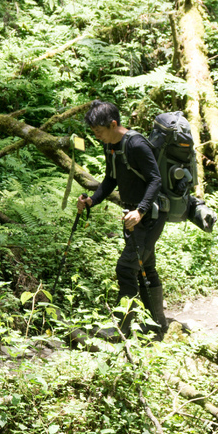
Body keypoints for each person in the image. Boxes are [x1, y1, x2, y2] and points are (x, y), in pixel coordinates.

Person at [76, 100, 169, 338]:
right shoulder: (111, 147)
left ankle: (120, 328)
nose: (97, 137)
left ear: (113, 124)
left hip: (149, 214)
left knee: (126, 268)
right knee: (145, 266)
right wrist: (92, 201)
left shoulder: (136, 144)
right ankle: (157, 326)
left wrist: (140, 211)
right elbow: (110, 179)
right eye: (94, 133)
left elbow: (155, 180)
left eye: (99, 132)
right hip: (132, 214)